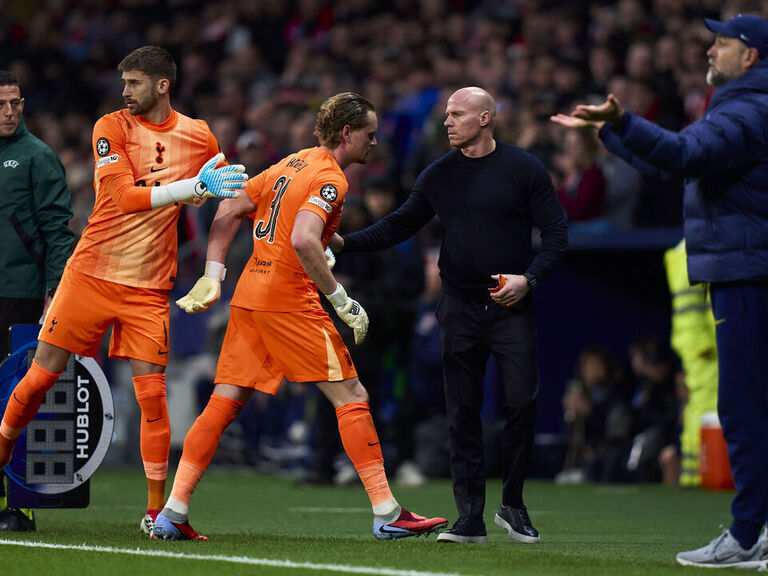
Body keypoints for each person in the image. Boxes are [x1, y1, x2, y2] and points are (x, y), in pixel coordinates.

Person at [151, 92, 447, 541]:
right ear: (347, 133)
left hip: (251, 294)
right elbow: (306, 239)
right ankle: (387, 513)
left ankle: (172, 512)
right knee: (351, 393)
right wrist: (341, 298)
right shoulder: (331, 178)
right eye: (369, 133)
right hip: (289, 299)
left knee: (224, 402)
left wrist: (214, 271)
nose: (375, 141)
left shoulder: (292, 163)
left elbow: (230, 208)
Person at [0, 46, 247, 535]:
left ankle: (159, 514)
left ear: (162, 85)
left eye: (133, 83)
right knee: (39, 378)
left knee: (151, 395)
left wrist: (214, 269)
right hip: (90, 274)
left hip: (149, 287)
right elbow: (121, 197)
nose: (124, 91)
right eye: (123, 83)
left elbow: (234, 195)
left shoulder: (198, 135)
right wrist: (191, 189)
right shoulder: (110, 127)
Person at [552, 13, 768, 568]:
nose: (709, 52)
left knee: (745, 406)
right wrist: (614, 134)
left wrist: (624, 121)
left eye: (721, 44)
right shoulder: (742, 108)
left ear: (750, 57)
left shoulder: (749, 108)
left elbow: (687, 155)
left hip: (748, 272)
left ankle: (748, 535)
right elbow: (682, 167)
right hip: (747, 267)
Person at [332, 87, 568, 544]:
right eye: (445, 114)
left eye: (457, 114)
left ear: (485, 118)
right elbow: (399, 223)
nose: (447, 121)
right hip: (459, 307)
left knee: (522, 403)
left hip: (511, 306)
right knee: (461, 412)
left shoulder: (524, 168)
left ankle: (513, 505)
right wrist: (346, 242)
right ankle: (470, 518)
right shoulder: (439, 174)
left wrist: (529, 280)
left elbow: (556, 233)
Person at [0, 70, 75, 532]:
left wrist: (54, 288)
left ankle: (19, 502)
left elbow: (57, 231)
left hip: (21, 294)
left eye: (15, 103)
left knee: (16, 397)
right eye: (1, 104)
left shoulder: (37, 156)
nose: (9, 112)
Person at [663, 240, 717, 487]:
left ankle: (697, 474)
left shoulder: (696, 247)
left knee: (702, 408)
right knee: (706, 408)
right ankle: (697, 474)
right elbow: (692, 310)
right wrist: (701, 346)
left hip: (706, 345)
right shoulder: (696, 249)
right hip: (706, 349)